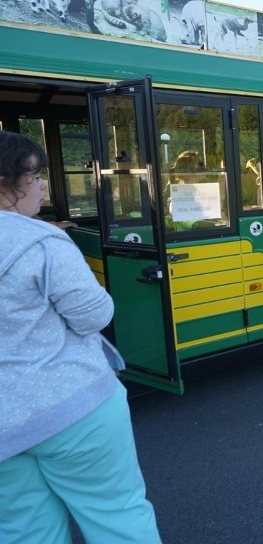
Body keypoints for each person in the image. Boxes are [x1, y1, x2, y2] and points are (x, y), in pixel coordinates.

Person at [0, 131, 161, 543]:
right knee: (116, 516)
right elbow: (94, 315)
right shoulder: (42, 243)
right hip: (71, 406)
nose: (41, 187)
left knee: (25, 532)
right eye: (34, 178)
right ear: (5, 184)